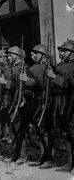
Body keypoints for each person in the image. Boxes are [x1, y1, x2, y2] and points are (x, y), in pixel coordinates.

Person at [19, 44, 54, 169]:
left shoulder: (48, 67)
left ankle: (49, 158)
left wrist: (27, 80)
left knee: (45, 131)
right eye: (32, 53)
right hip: (35, 102)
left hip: (46, 102)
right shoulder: (33, 68)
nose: (32, 55)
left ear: (43, 55)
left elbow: (44, 85)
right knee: (38, 130)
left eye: (36, 53)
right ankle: (43, 156)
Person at [46, 39, 74, 173]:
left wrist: (54, 77)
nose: (61, 53)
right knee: (66, 133)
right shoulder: (57, 66)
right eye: (60, 50)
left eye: (64, 50)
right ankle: (69, 163)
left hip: (71, 103)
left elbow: (71, 84)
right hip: (60, 103)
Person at [0, 46, 29, 164]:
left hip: (20, 102)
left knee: (19, 129)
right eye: (8, 56)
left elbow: (22, 86)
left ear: (17, 56)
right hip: (11, 101)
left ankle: (22, 155)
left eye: (11, 55)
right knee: (12, 129)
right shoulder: (10, 68)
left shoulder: (23, 68)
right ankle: (15, 154)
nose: (8, 58)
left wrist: (6, 83)